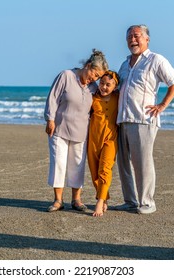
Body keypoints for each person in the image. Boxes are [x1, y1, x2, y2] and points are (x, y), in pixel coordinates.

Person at [116, 24, 174, 214]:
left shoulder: (156, 59)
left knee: (142, 163)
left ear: (147, 39)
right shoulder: (124, 63)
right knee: (123, 164)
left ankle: (147, 203)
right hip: (122, 119)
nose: (132, 39)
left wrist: (162, 105)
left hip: (143, 119)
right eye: (129, 37)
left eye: (136, 36)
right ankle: (130, 201)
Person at [44, 49, 109, 212]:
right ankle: (58, 200)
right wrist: (50, 119)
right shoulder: (66, 76)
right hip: (59, 128)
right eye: (94, 74)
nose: (94, 79)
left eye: (98, 77)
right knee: (58, 163)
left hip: (81, 131)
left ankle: (76, 200)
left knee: (77, 165)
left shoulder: (93, 87)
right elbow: (53, 97)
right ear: (88, 66)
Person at [87, 71, 120, 217]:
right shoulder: (92, 99)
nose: (104, 87)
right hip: (93, 140)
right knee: (95, 172)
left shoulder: (118, 98)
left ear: (115, 86)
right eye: (102, 83)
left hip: (110, 139)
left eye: (108, 84)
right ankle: (104, 196)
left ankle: (99, 202)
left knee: (105, 169)